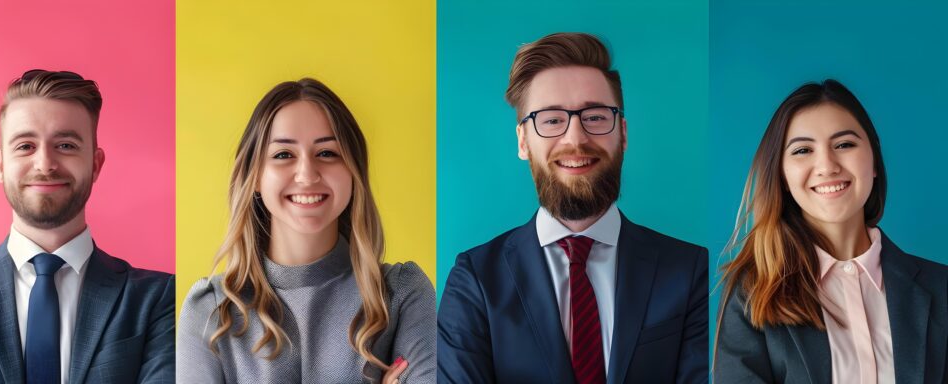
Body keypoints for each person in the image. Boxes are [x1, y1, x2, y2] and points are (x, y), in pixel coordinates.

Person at [437, 32, 709, 383]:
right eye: (551, 120)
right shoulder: (474, 280)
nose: (575, 138)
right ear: (523, 141)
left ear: (622, 134)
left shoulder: (690, 271)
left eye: (595, 117)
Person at [177, 78, 436, 383]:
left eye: (327, 153)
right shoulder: (210, 310)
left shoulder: (402, 295)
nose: (307, 174)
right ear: (256, 176)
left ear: (353, 171)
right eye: (283, 155)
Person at [0, 69, 176, 383]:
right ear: (1, 166)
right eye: (25, 146)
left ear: (95, 164)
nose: (45, 164)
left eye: (66, 146)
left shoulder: (158, 298)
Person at [714, 79, 948, 383]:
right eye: (802, 150)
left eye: (844, 144)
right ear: (782, 175)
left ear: (874, 160)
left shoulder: (941, 289)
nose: (826, 165)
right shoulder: (751, 295)